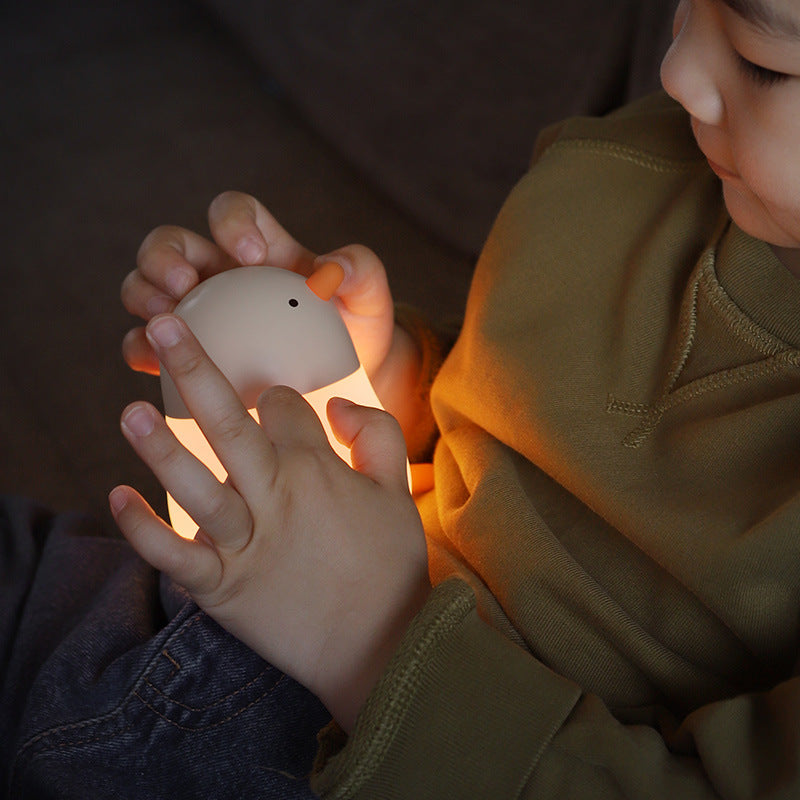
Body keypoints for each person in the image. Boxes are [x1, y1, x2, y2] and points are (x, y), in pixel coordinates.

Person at [5, 0, 800, 796]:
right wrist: (369, 375)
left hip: (379, 751)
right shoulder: (652, 161)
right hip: (191, 587)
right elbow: (529, 411)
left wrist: (366, 639)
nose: (677, 71)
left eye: (766, 59)